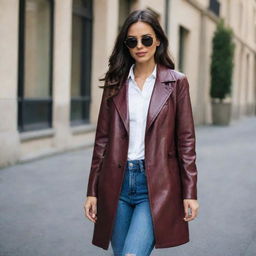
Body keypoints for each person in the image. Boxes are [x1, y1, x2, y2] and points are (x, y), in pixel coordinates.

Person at [84, 9, 199, 256]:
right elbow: (102, 141)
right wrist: (92, 190)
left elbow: (186, 140)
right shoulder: (115, 83)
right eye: (132, 41)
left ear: (157, 40)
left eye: (146, 39)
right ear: (126, 45)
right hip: (116, 184)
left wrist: (190, 192)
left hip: (156, 185)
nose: (140, 46)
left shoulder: (177, 82)